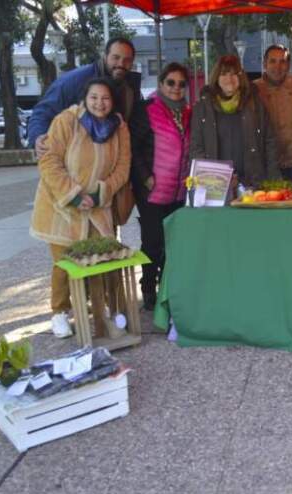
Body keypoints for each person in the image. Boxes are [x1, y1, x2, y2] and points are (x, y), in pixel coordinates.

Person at [30, 78, 131, 337]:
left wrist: (101, 191)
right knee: (64, 263)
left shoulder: (119, 128)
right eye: (94, 97)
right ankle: (60, 312)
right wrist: (72, 194)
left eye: (105, 98)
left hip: (98, 206)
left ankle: (109, 308)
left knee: (105, 259)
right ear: (85, 98)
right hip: (61, 207)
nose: (100, 103)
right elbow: (49, 161)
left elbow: (122, 167)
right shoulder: (66, 121)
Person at [129, 63, 192, 311]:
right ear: (161, 84)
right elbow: (132, 147)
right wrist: (145, 176)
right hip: (153, 191)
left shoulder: (188, 113)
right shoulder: (147, 110)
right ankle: (148, 289)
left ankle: (167, 287)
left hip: (178, 192)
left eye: (181, 83)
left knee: (172, 244)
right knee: (152, 243)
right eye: (171, 82)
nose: (176, 88)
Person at [28, 37, 142, 157]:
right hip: (74, 163)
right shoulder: (75, 80)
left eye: (127, 60)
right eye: (116, 57)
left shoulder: (130, 88)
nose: (121, 64)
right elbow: (43, 111)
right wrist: (38, 136)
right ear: (105, 56)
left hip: (113, 163)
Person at [190, 55, 279, 189]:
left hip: (252, 182)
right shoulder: (202, 107)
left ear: (241, 77)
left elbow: (269, 141)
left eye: (234, 74)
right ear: (216, 78)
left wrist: (273, 179)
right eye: (224, 74)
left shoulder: (255, 104)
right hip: (216, 186)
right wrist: (209, 180)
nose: (229, 79)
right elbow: (196, 147)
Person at [253, 45, 292, 184]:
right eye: (273, 61)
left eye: (282, 61)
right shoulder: (253, 90)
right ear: (264, 64)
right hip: (266, 163)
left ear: (289, 65)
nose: (277, 67)